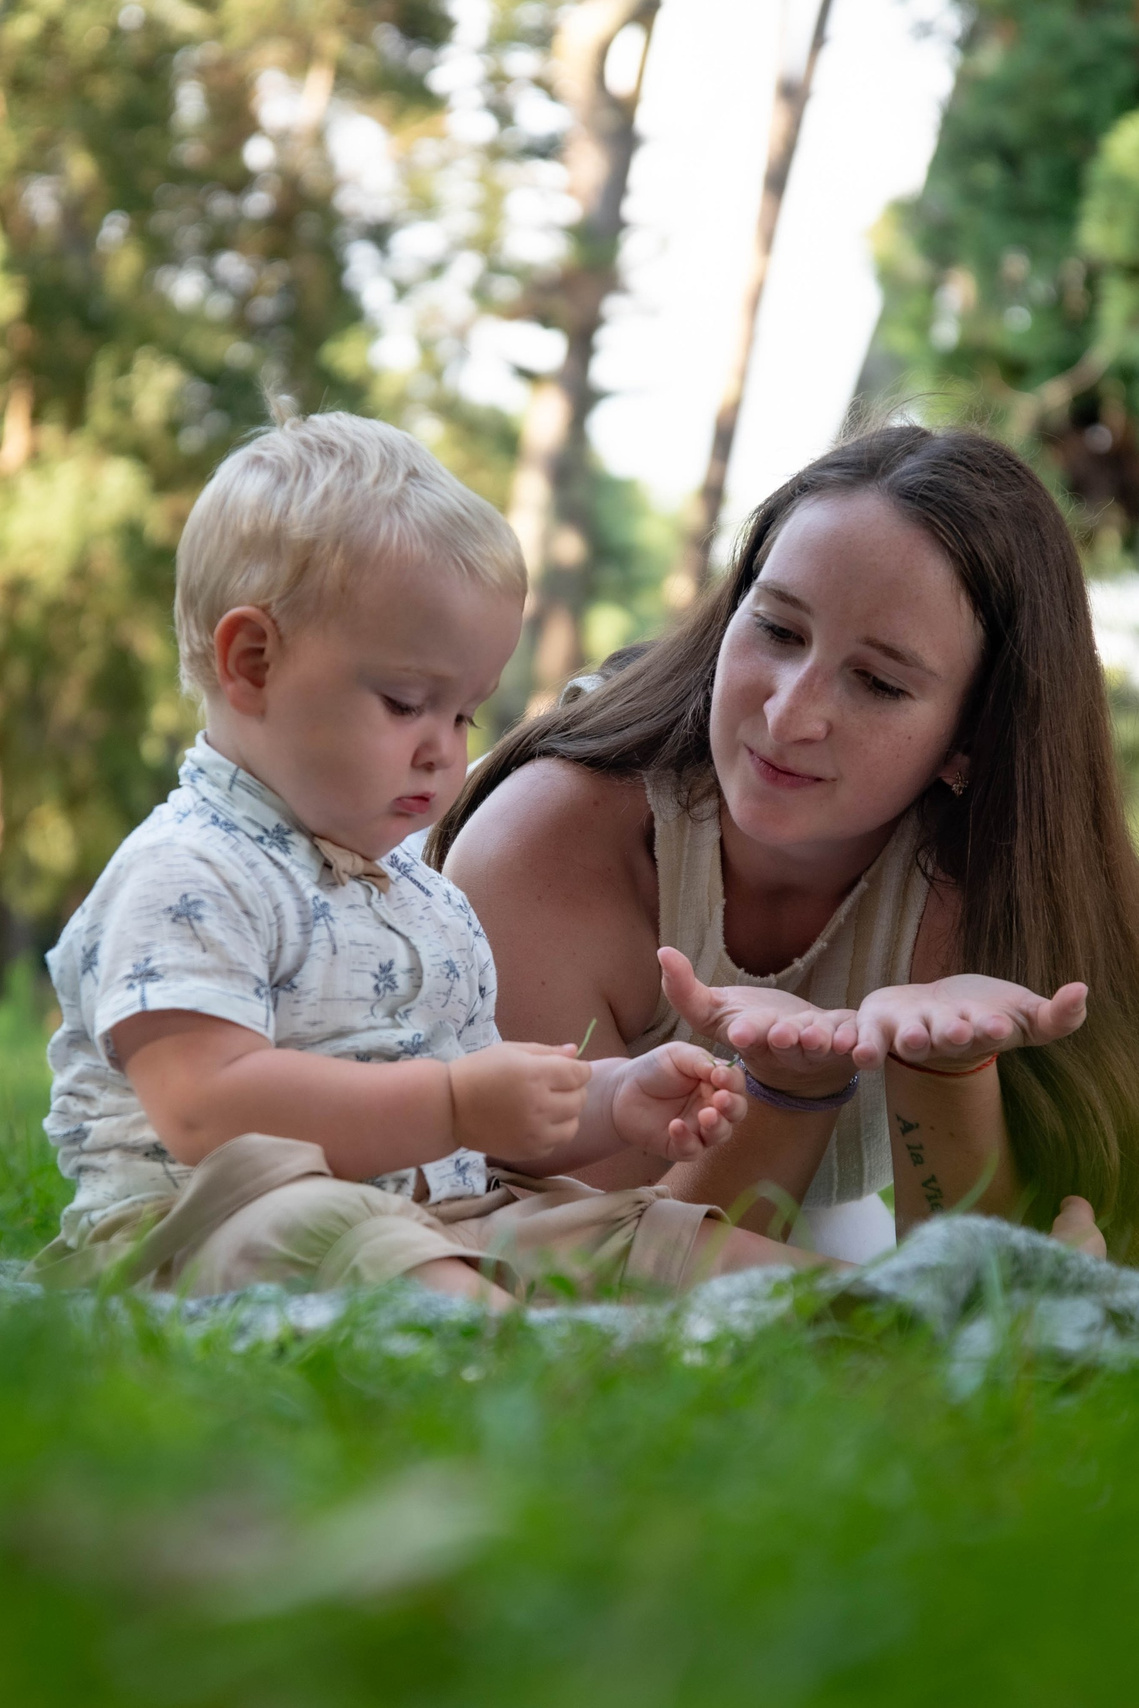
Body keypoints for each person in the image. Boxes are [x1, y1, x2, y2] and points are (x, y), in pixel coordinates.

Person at [29, 406, 857, 1307]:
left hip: (441, 1212)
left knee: (604, 1223)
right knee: (319, 1229)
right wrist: (452, 1104)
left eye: (463, 714)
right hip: (201, 1224)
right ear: (254, 662)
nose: (443, 750)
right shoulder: (188, 871)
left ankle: (872, 1312)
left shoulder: (426, 900)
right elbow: (203, 1108)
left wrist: (605, 1102)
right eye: (405, 702)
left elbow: (494, 1127)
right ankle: (521, 1356)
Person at [431, 424, 1125, 1263]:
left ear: (970, 738)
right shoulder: (547, 841)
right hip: (529, 1234)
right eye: (779, 631)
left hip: (807, 1238)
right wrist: (791, 1090)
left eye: (877, 682)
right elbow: (616, 1273)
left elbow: (984, 1282)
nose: (787, 716)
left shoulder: (997, 884)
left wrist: (946, 1072)